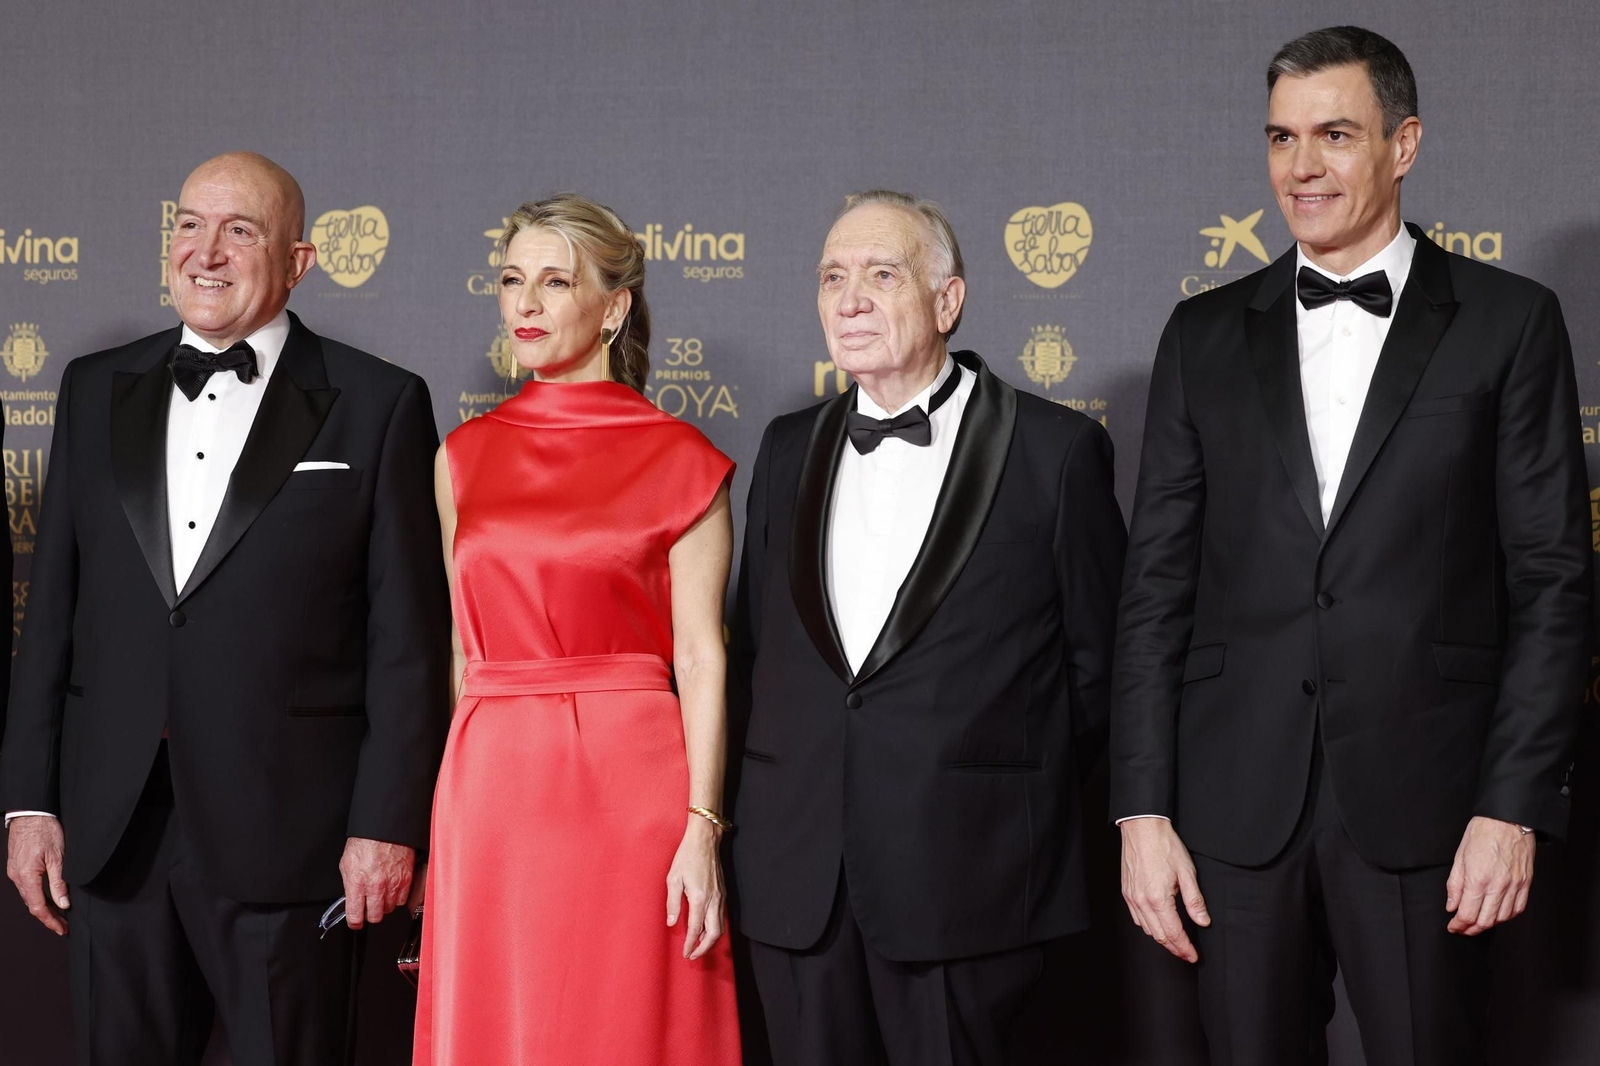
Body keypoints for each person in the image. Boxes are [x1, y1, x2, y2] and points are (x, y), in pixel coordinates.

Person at [1112, 26, 1589, 1066]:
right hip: (1232, 813)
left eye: (1334, 135)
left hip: (1432, 806)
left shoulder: (1508, 323)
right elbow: (1154, 590)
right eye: (1281, 138)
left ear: (1403, 144)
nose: (1302, 167)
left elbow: (1553, 583)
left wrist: (1512, 805)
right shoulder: (1201, 335)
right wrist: (1139, 809)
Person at [0, 152, 450, 1064]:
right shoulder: (92, 387)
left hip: (292, 831)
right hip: (113, 830)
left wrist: (387, 821)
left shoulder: (379, 402)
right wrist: (27, 803)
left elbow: (408, 641)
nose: (205, 252)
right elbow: (51, 614)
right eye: (189, 225)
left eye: (240, 231)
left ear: (298, 261)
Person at [727, 190, 1126, 1065]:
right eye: (832, 277)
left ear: (948, 301)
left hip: (971, 882)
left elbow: (1100, 673)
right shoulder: (785, 447)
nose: (850, 300)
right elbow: (752, 654)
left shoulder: (1055, 450)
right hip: (799, 882)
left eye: (881, 275)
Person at [412, 192, 742, 1065]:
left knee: (622, 1022)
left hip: (632, 788)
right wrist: (446, 813)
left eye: (556, 283)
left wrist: (702, 826)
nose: (525, 303)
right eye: (511, 279)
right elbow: (460, 650)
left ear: (614, 307)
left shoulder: (683, 459)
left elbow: (702, 657)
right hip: (491, 789)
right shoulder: (460, 457)